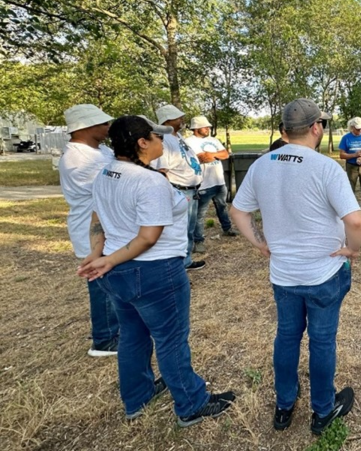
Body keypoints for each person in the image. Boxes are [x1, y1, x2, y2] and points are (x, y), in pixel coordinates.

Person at [77, 115, 235, 426]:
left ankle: (137, 397)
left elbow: (98, 218)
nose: (163, 142)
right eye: (156, 137)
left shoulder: (107, 173)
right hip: (154, 272)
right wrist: (107, 259)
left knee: (133, 336)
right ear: (142, 143)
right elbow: (149, 237)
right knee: (171, 338)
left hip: (118, 272)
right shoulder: (149, 182)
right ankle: (191, 404)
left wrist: (99, 254)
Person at [230, 98, 361, 435]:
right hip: (324, 274)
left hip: (284, 275)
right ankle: (322, 410)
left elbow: (237, 212)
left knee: (287, 338)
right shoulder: (325, 167)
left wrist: (259, 242)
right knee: (322, 342)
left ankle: (284, 404)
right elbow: (356, 221)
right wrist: (351, 248)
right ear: (316, 127)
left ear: (284, 130)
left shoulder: (262, 165)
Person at [59, 104, 120, 357]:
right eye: (103, 123)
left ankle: (115, 330)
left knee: (113, 279)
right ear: (84, 127)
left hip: (109, 225)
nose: (108, 127)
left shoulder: (101, 150)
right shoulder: (76, 158)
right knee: (101, 283)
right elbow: (113, 183)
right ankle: (104, 339)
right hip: (91, 227)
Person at [153, 105, 205, 271]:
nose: (182, 120)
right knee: (181, 229)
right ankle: (179, 265)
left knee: (188, 227)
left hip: (191, 189)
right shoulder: (165, 140)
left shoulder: (178, 136)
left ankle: (186, 260)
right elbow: (161, 170)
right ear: (167, 121)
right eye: (178, 118)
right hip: (180, 190)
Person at [185, 115, 237, 254]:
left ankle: (227, 228)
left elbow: (225, 154)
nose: (208, 128)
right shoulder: (188, 142)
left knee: (222, 206)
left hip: (219, 181)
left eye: (209, 126)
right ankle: (199, 240)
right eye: (205, 126)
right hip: (203, 184)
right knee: (199, 215)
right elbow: (201, 158)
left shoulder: (213, 140)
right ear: (196, 128)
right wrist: (214, 155)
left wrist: (211, 154)